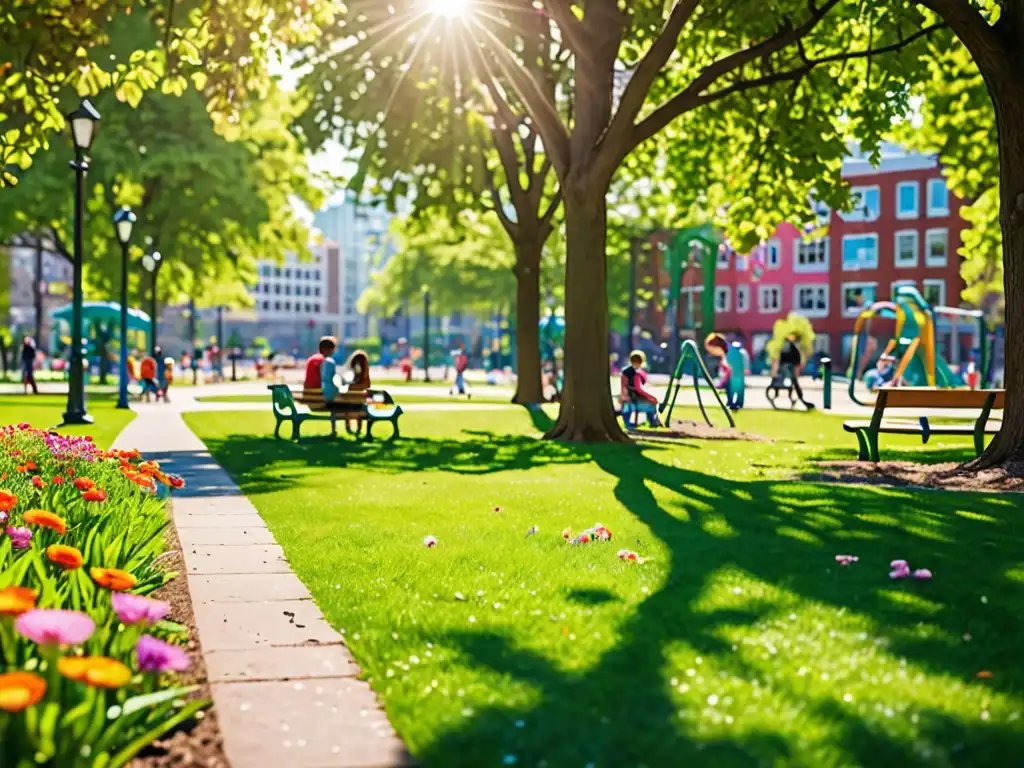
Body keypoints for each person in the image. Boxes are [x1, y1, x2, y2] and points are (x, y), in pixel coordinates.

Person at [619, 350, 661, 427]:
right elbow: (638, 388)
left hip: (633, 397)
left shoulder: (628, 371)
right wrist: (650, 397)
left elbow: (624, 386)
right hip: (633, 398)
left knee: (628, 406)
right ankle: (652, 421)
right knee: (651, 404)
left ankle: (652, 421)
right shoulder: (635, 372)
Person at [774, 334, 815, 409]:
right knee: (793, 383)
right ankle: (795, 398)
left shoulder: (788, 348)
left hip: (787, 371)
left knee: (793, 383)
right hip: (787, 371)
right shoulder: (789, 348)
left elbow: (794, 359)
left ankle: (797, 399)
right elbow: (795, 360)